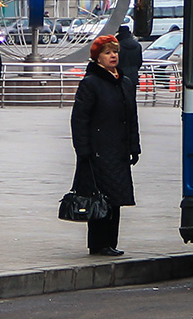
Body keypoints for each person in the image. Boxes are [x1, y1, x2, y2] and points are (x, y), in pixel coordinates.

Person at [70, 34, 141, 257]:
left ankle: (110, 242)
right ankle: (98, 243)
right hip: (98, 151)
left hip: (118, 151)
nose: (113, 56)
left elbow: (131, 118)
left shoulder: (125, 82)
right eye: (108, 52)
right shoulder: (91, 83)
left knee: (115, 199)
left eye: (115, 52)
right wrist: (84, 150)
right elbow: (79, 119)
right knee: (99, 198)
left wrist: (134, 146)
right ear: (97, 58)